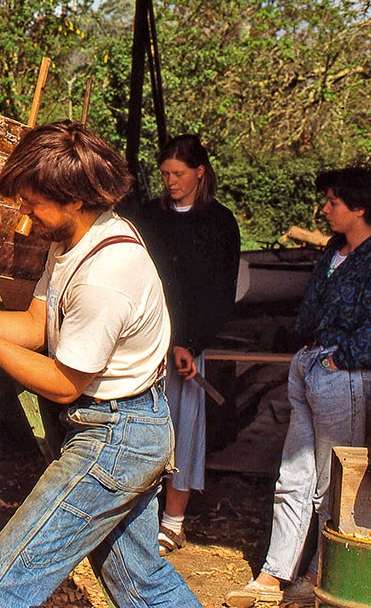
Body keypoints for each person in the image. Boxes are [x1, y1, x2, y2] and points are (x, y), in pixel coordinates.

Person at [0, 121, 201, 607]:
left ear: (75, 201)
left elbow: (63, 384)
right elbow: (39, 325)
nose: (23, 214)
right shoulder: (73, 242)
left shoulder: (105, 275)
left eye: (33, 203)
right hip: (125, 427)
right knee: (142, 583)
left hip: (116, 438)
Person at [225, 165, 371, 607]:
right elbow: (311, 311)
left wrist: (342, 359)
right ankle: (274, 574)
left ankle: (320, 575)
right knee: (293, 476)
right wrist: (306, 348)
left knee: (330, 483)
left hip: (342, 377)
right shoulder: (333, 253)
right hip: (310, 367)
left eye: (333, 203)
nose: (325, 210)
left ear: (360, 208)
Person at [136, 135, 240, 556]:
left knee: (185, 428)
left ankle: (173, 522)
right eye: (164, 174)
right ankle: (134, 515)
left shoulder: (219, 223)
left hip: (188, 345)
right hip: (143, 338)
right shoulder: (146, 217)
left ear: (200, 172)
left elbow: (220, 293)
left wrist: (190, 342)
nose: (171, 181)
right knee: (141, 426)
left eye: (178, 174)